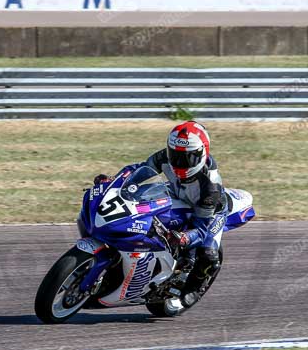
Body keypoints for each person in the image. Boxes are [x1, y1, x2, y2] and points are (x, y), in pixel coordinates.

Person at [94, 121, 226, 315]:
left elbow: (201, 229)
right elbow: (140, 171)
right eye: (175, 155)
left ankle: (194, 290)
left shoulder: (210, 187)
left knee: (207, 254)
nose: (179, 162)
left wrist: (185, 238)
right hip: (178, 195)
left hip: (209, 213)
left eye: (187, 158)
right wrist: (114, 182)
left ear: (201, 154)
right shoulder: (165, 156)